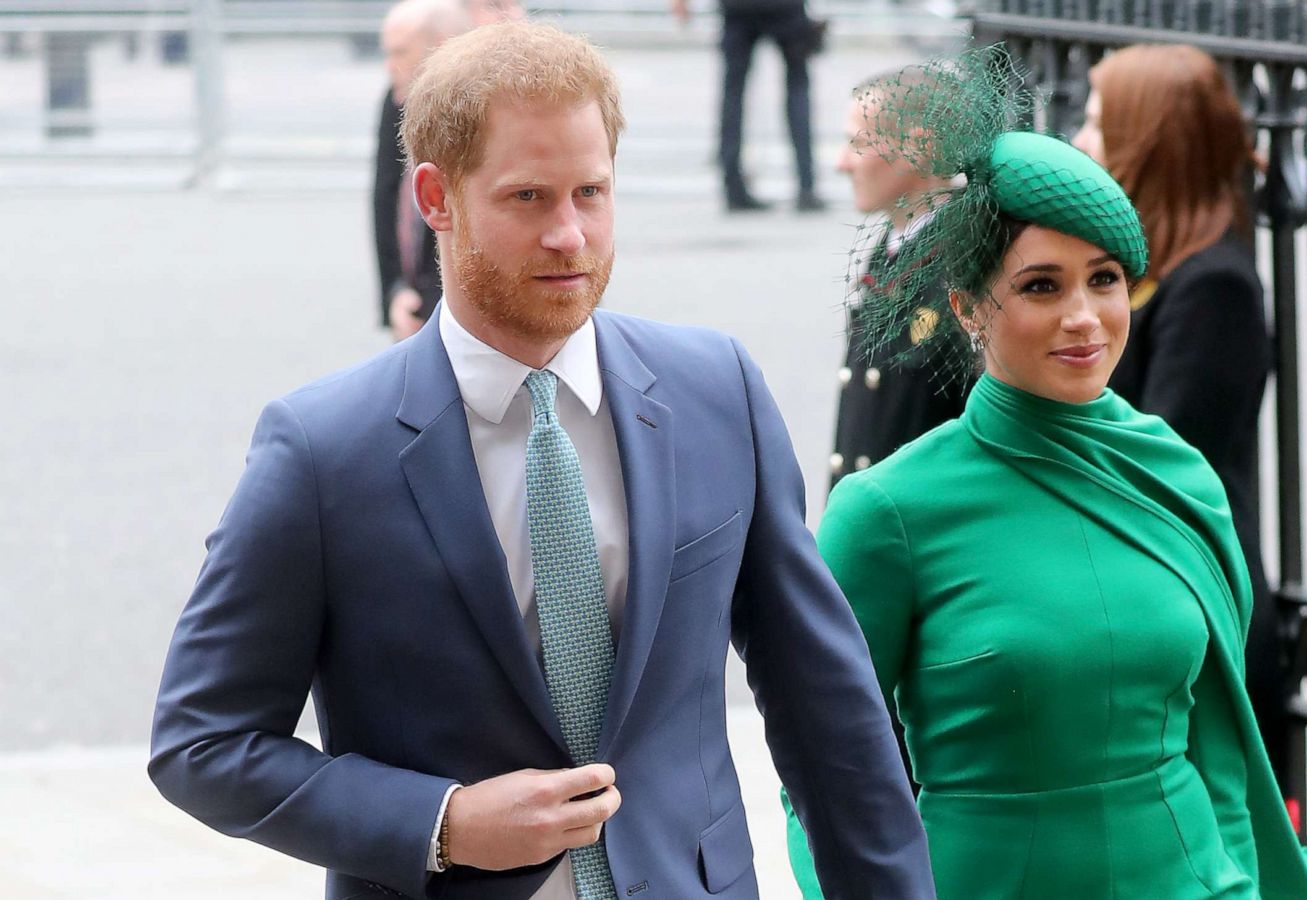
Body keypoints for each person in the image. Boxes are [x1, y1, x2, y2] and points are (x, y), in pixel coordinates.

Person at [151, 22, 935, 900]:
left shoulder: (718, 392)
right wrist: (439, 823)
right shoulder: (322, 450)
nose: (570, 235)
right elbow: (201, 743)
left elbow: (826, 704)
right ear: (435, 197)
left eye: (591, 193)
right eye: (528, 198)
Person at [784, 47, 1307, 899]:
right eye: (1040, 285)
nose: (1084, 319)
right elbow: (821, 770)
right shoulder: (888, 511)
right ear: (967, 306)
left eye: (1105, 280)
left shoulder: (1177, 475)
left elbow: (1220, 752)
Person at [1070, 43, 1292, 810]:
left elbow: (1161, 460)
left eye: (1099, 123)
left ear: (1148, 139)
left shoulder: (1215, 285)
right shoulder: (1142, 270)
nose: (1080, 141)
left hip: (1191, 610)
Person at [829, 68, 970, 488]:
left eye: (858, 144)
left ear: (919, 147)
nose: (841, 163)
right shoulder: (892, 246)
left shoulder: (959, 263)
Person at [373, 0, 473, 340]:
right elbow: (385, 199)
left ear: (441, 51)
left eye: (400, 53)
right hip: (414, 305)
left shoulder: (489, 114)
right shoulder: (396, 97)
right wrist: (395, 292)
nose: (390, 66)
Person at [670, 0, 823, 212]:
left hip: (738, 7)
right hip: (786, 8)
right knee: (797, 87)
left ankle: (733, 186)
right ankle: (806, 186)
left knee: (733, 94)